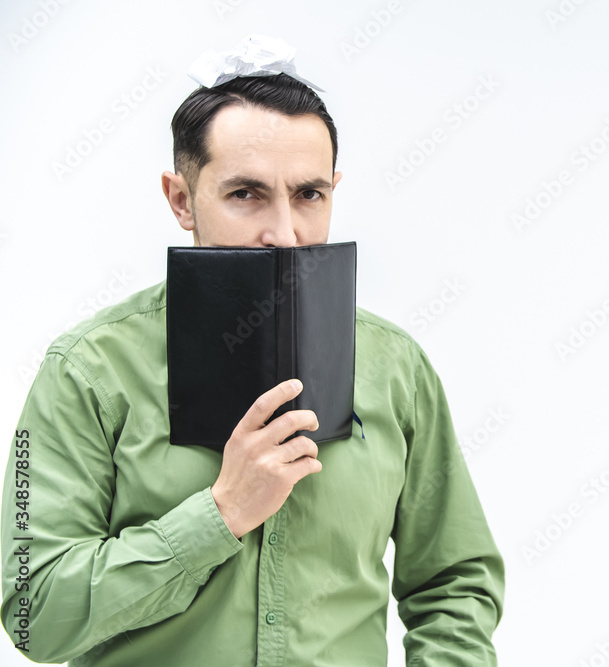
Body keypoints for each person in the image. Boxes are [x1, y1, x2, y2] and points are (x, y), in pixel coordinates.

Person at [0, 35, 504, 666]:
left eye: (309, 194)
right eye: (246, 194)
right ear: (181, 199)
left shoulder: (395, 365)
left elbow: (454, 583)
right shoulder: (86, 371)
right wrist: (220, 513)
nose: (285, 233)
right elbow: (33, 614)